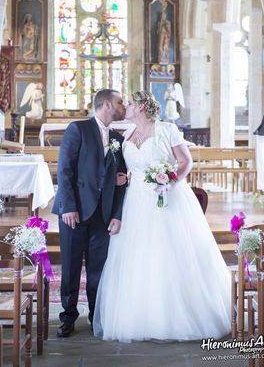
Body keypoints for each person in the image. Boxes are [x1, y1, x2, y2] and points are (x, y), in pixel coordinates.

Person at [93, 91, 231, 342]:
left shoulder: (167, 129)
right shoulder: (126, 135)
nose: (127, 107)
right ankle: (139, 315)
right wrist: (125, 178)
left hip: (167, 198)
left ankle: (180, 315)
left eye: (131, 103)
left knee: (170, 252)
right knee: (139, 255)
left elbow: (185, 162)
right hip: (135, 201)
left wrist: (170, 180)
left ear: (144, 106)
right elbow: (129, 169)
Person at [52, 89, 127, 337]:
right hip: (75, 211)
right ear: (106, 104)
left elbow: (121, 180)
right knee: (72, 267)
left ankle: (96, 316)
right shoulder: (78, 129)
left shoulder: (117, 137)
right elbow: (64, 170)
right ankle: (68, 317)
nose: (123, 105)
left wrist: (116, 213)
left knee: (98, 269)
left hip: (103, 214)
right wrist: (68, 206)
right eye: (119, 102)